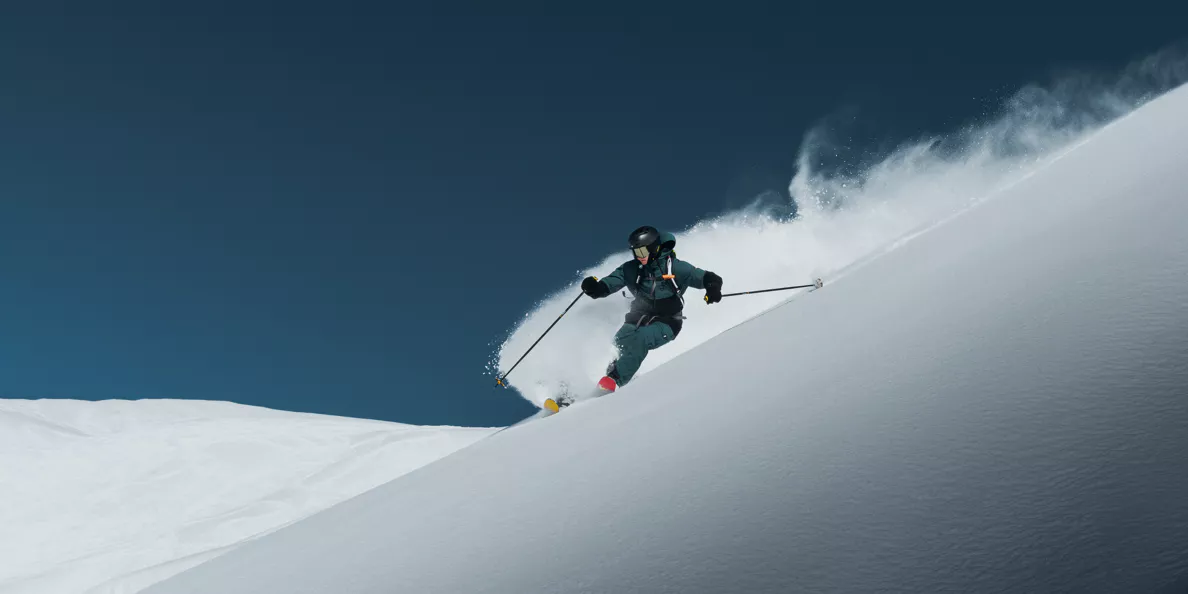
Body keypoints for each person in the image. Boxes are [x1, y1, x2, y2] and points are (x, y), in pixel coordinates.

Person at [579, 225, 723, 394]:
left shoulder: (675, 268)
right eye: (635, 252)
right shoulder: (630, 269)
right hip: (637, 317)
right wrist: (595, 288)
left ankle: (614, 381)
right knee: (618, 343)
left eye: (642, 252)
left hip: (667, 322)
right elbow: (607, 285)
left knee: (640, 339)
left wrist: (712, 288)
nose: (639, 257)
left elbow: (709, 278)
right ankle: (586, 387)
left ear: (654, 248)